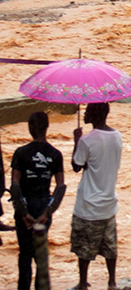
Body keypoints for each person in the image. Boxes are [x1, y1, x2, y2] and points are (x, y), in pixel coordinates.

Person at [11, 111, 66, 290]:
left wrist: (23, 212)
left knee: (25, 256)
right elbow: (60, 187)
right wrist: (47, 213)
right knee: (41, 255)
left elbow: (15, 185)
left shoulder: (20, 152)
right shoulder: (55, 154)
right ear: (47, 127)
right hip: (44, 206)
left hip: (24, 205)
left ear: (30, 128)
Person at [71, 102, 123, 290]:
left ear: (93, 114)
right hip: (109, 202)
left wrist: (77, 140)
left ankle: (83, 283)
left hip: (88, 204)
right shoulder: (117, 136)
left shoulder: (87, 140)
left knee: (84, 248)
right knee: (110, 247)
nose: (84, 114)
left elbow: (77, 165)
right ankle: (112, 282)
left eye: (86, 111)